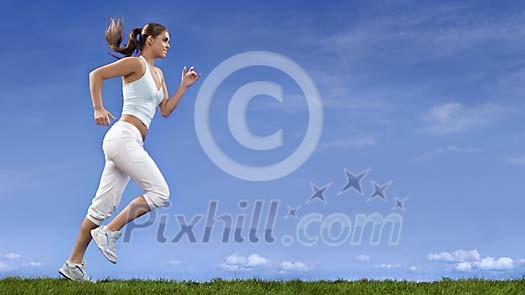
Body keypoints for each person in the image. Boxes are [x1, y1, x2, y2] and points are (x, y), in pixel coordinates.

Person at [58, 18, 201, 281]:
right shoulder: (136, 64)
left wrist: (184, 86)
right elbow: (96, 75)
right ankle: (109, 232)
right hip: (122, 136)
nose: (169, 45)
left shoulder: (158, 75)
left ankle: (73, 264)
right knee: (160, 192)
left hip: (130, 141)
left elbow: (165, 110)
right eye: (165, 40)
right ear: (151, 40)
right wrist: (98, 108)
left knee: (100, 207)